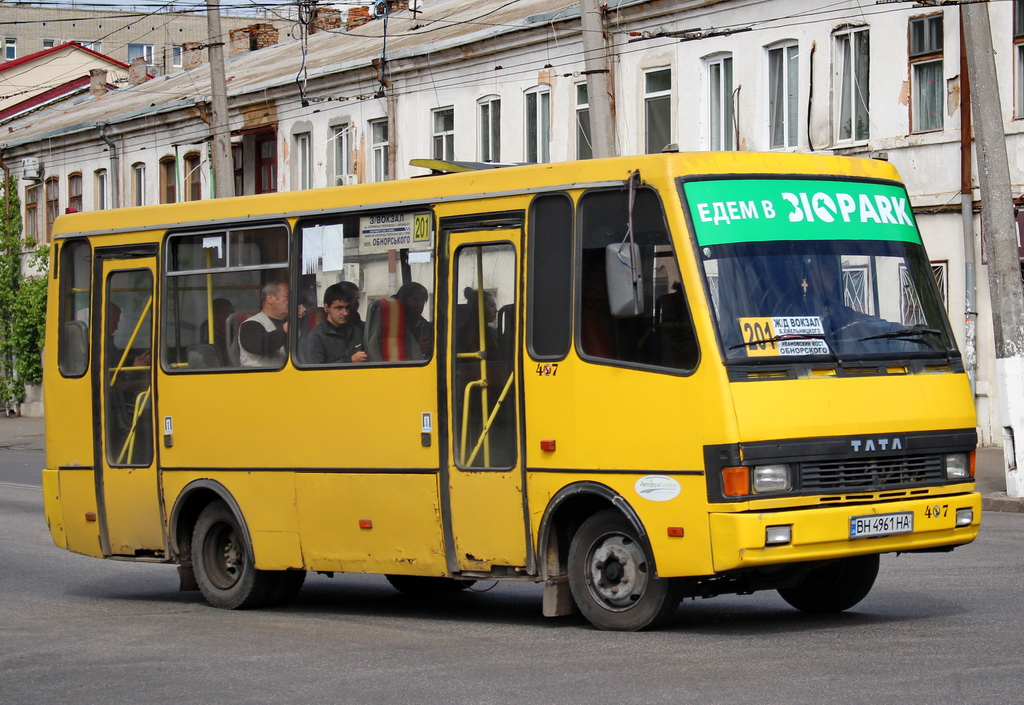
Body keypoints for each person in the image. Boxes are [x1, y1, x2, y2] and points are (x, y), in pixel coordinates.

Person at [300, 281, 368, 364]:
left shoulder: (356, 330)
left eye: (347, 307)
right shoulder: (316, 337)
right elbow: (316, 372)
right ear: (326, 308)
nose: (345, 313)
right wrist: (349, 361)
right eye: (339, 308)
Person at [239, 281, 289, 367]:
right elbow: (262, 345)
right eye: (287, 296)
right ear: (270, 298)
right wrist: (284, 330)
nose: (291, 301)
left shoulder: (290, 323)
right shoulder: (250, 325)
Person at [393, 281, 432, 357]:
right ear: (402, 301)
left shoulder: (427, 327)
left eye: (422, 301)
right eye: (415, 300)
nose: (419, 305)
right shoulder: (392, 327)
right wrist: (416, 348)